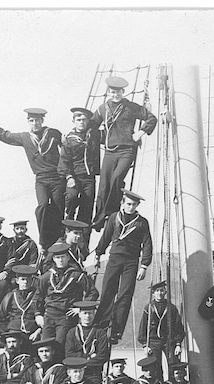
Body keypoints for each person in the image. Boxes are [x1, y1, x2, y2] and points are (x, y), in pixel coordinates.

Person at [0, 107, 65, 249]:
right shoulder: (25, 137)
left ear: (42, 121)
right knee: (42, 206)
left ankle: (59, 236)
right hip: (41, 179)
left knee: (58, 207)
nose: (35, 124)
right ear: (28, 121)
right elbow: (5, 136)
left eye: (38, 121)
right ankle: (44, 241)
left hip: (57, 178)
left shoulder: (53, 133)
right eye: (32, 121)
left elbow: (66, 148)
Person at [90, 76, 158, 228]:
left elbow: (151, 118)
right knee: (104, 184)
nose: (116, 95)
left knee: (116, 179)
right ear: (109, 92)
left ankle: (111, 212)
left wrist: (140, 133)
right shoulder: (103, 109)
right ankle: (99, 218)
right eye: (113, 92)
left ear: (123, 91)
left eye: (118, 92)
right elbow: (92, 126)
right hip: (110, 151)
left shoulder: (131, 107)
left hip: (127, 150)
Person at [94, 190, 153, 345]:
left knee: (124, 295)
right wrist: (98, 254)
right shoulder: (114, 217)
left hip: (131, 262)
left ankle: (116, 330)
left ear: (137, 205)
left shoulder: (142, 222)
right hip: (114, 259)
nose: (131, 207)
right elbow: (106, 236)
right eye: (128, 204)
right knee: (107, 291)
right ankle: (101, 325)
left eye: (134, 205)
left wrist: (144, 265)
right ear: (123, 203)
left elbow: (147, 244)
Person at [35, 243, 98, 344]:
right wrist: (38, 314)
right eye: (57, 257)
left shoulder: (77, 275)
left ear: (68, 257)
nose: (60, 260)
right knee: (45, 345)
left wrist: (81, 309)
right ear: (54, 259)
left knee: (60, 344)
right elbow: (38, 296)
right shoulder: (46, 277)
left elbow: (93, 292)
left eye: (63, 257)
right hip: (49, 316)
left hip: (66, 316)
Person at [60, 106, 101, 229]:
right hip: (74, 177)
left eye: (84, 119)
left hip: (89, 178)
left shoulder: (94, 135)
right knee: (71, 198)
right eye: (78, 120)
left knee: (87, 208)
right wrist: (69, 177)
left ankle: (82, 238)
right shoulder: (69, 139)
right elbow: (64, 160)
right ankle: (68, 221)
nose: (81, 122)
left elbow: (112, 135)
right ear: (73, 122)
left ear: (88, 121)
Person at [137, 280, 185, 379]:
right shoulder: (148, 308)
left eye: (162, 290)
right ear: (153, 293)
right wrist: (145, 345)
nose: (160, 293)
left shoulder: (171, 308)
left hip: (169, 340)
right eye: (157, 291)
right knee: (155, 367)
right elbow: (143, 327)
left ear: (165, 292)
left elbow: (178, 327)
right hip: (154, 341)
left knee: (173, 365)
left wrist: (178, 344)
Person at [63, 299, 111, 383]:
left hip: (93, 374)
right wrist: (88, 357)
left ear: (94, 314)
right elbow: (69, 354)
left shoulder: (100, 332)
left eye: (90, 313)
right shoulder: (72, 332)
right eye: (85, 313)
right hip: (76, 373)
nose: (87, 316)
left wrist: (80, 360)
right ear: (80, 315)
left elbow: (102, 356)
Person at [0, 264, 41, 342]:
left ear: (32, 280)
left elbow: (46, 317)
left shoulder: (37, 296)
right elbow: (0, 318)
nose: (26, 282)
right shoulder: (10, 296)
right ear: (17, 281)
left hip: (32, 335)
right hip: (14, 334)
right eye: (23, 279)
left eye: (28, 279)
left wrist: (38, 332)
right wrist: (8, 334)